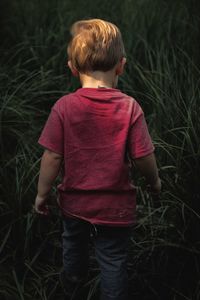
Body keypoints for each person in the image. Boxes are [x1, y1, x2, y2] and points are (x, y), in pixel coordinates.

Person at [34, 19, 161, 300]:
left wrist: (42, 194)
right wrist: (155, 182)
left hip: (74, 205)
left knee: (73, 250)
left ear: (72, 68)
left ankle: (72, 286)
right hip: (116, 208)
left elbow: (52, 156)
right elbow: (143, 156)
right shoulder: (130, 107)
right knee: (113, 261)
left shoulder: (64, 107)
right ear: (121, 66)